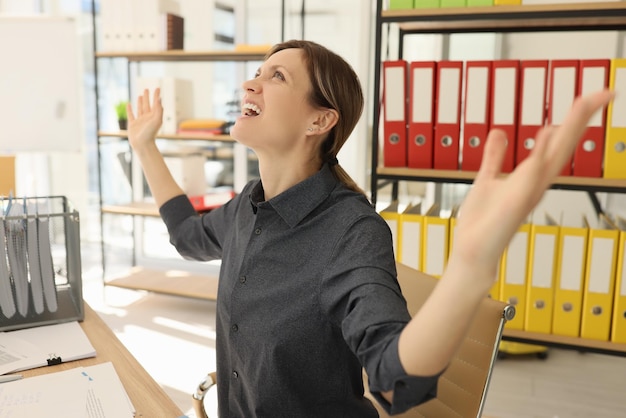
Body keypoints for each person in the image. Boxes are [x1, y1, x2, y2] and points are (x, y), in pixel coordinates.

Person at [126, 39, 614, 417]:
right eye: (256, 74)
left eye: (275, 77)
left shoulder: (351, 231)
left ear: (321, 119)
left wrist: (469, 269)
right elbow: (186, 234)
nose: (250, 85)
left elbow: (395, 380)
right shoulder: (247, 207)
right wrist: (145, 145)